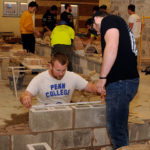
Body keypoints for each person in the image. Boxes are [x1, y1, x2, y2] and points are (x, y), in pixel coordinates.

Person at [93, 11, 139, 150]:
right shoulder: (121, 24)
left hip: (121, 82)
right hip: (127, 81)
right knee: (120, 126)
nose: (99, 33)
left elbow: (112, 47)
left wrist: (102, 79)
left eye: (96, 29)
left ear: (96, 19)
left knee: (116, 129)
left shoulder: (109, 20)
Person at [20, 53, 97, 108]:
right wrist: (25, 98)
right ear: (50, 66)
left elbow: (90, 87)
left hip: (64, 112)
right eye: (58, 70)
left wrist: (101, 91)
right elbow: (25, 95)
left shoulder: (72, 76)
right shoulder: (40, 79)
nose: (61, 74)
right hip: (44, 113)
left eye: (63, 70)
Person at [128, 4, 141, 68]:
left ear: (129, 10)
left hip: (133, 37)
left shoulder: (132, 16)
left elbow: (130, 27)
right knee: (135, 53)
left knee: (131, 53)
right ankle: (135, 66)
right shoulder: (138, 16)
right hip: (138, 36)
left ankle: (131, 67)